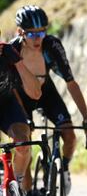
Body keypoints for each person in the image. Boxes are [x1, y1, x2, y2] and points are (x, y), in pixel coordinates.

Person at [10, 5, 87, 196]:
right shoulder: (13, 49)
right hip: (21, 96)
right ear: (20, 32)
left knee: (70, 136)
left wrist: (86, 118)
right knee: (25, 147)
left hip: (46, 92)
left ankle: (63, 169)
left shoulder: (52, 46)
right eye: (32, 34)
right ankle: (27, 190)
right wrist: (25, 118)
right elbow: (11, 89)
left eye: (42, 32)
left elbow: (71, 83)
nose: (38, 38)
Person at [0, 41, 41, 194]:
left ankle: (17, 185)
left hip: (7, 102)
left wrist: (18, 63)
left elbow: (36, 93)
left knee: (23, 143)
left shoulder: (7, 53)